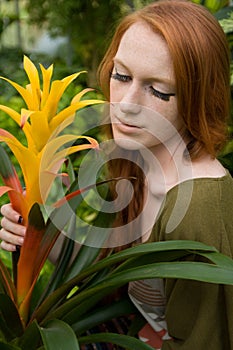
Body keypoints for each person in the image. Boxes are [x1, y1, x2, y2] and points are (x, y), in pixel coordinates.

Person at [1, 0, 233, 349]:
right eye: (121, 76)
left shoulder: (198, 209)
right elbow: (116, 269)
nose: (126, 103)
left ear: (197, 97)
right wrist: (36, 234)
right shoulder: (140, 161)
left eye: (159, 90)